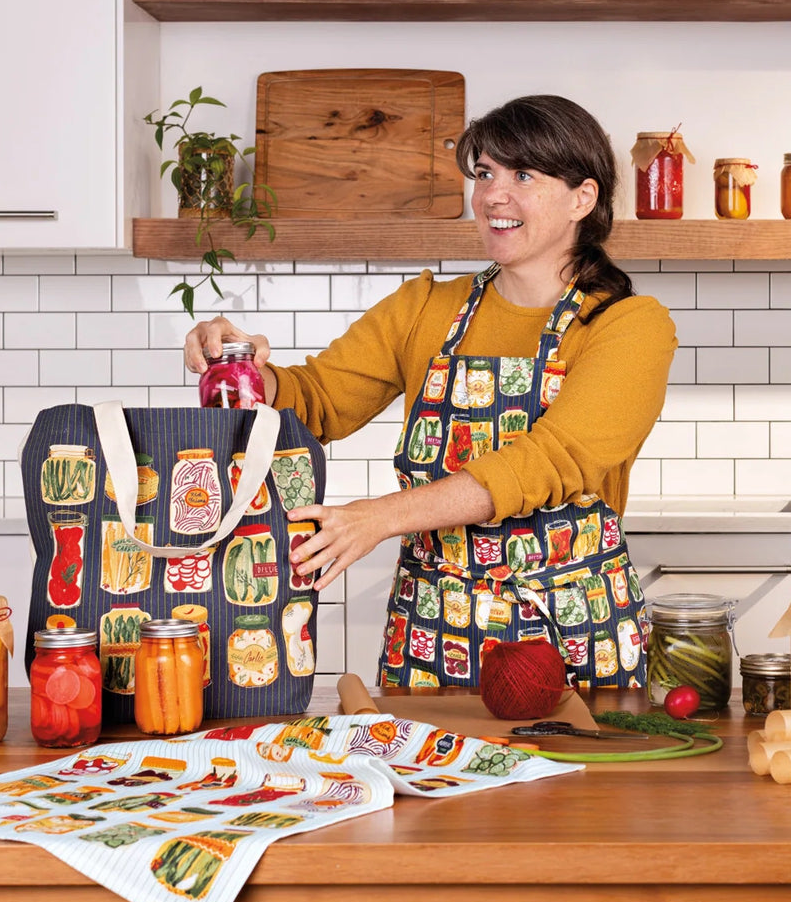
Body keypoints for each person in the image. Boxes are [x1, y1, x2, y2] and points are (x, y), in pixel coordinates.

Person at [184, 94, 677, 689]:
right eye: (484, 173)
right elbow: (316, 400)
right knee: (425, 778)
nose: (493, 194)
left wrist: (378, 517)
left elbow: (548, 460)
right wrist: (240, 369)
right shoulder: (427, 307)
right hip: (433, 633)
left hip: (570, 635)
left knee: (571, 783)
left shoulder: (629, 325)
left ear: (584, 197)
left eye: (522, 174)